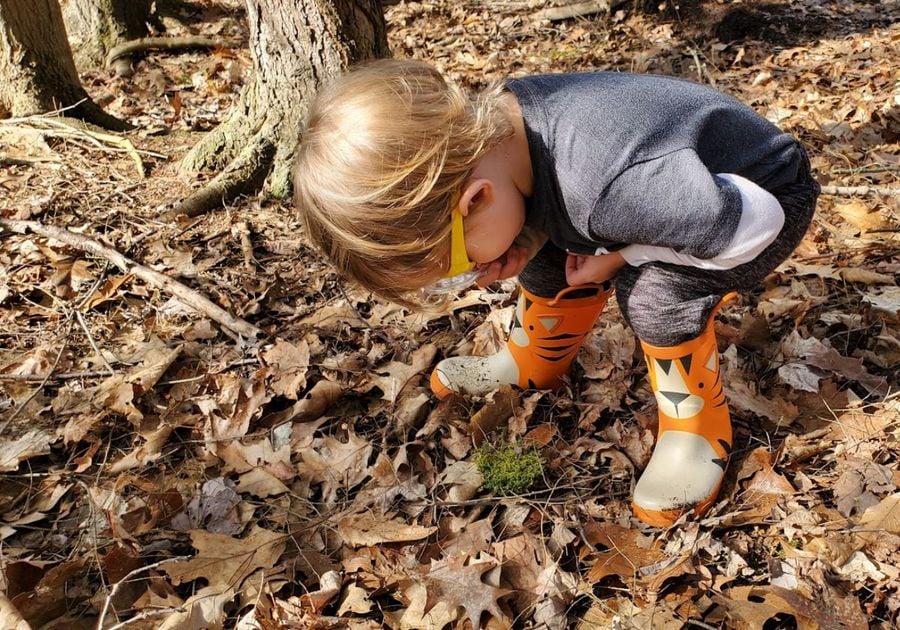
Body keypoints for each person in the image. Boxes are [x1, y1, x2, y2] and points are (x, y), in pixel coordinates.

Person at [293, 59, 819, 527]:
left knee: (653, 294)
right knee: (541, 250)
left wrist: (620, 256)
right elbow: (560, 203)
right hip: (672, 189)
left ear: (476, 199)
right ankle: (533, 359)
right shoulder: (508, 132)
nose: (476, 276)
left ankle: (695, 429)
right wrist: (531, 235)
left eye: (460, 265)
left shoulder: (607, 190)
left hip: (756, 197)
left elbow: (755, 222)